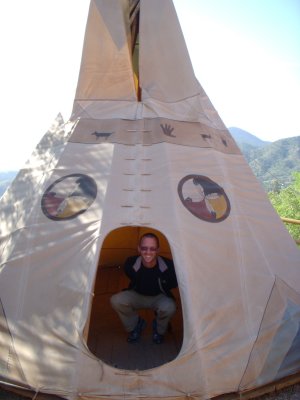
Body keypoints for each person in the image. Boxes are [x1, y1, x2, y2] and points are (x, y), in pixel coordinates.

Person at [110, 233, 178, 344]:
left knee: (170, 307)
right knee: (116, 300)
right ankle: (136, 324)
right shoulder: (130, 264)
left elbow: (173, 284)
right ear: (138, 249)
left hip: (159, 297)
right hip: (138, 295)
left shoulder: (169, 266)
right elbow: (130, 275)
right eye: (144, 248)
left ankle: (159, 329)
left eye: (152, 249)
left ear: (158, 250)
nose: (148, 252)